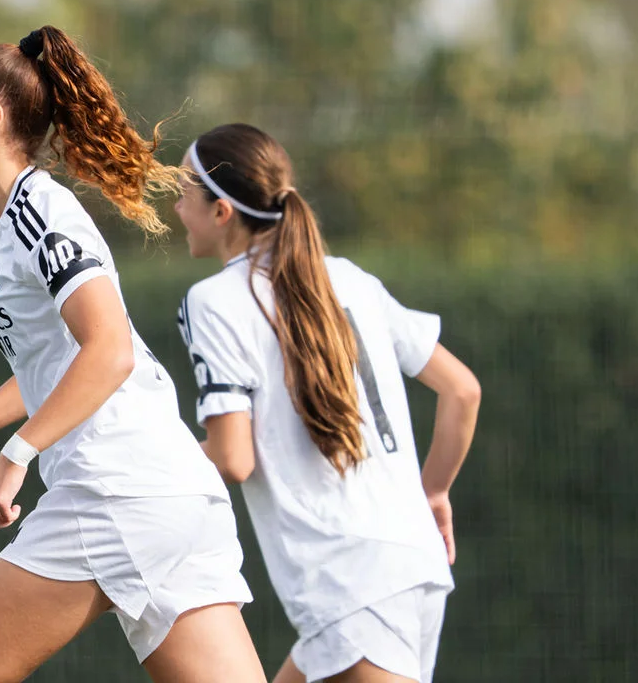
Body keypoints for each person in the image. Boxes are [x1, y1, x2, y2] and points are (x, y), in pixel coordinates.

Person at [0, 26, 267, 683]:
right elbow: (64, 360)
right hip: (172, 495)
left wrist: (16, 458)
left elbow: (111, 352)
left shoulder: (39, 213)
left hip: (115, 493)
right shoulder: (6, 228)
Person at [173, 123, 481, 683]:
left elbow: (232, 458)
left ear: (222, 212)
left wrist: (140, 463)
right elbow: (463, 391)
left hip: (350, 588)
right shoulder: (351, 280)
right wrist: (431, 492)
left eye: (184, 190)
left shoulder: (213, 301)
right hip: (414, 567)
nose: (175, 207)